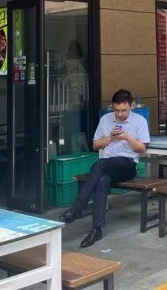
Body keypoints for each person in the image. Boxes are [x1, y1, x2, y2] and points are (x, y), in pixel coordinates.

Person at [59, 89, 150, 247]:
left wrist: (127, 137)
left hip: (127, 165)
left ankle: (78, 207)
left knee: (99, 164)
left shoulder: (139, 121)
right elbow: (96, 145)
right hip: (107, 165)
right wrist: (110, 138)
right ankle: (97, 229)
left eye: (124, 110)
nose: (120, 114)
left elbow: (142, 149)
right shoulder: (106, 119)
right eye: (116, 110)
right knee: (102, 179)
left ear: (131, 106)